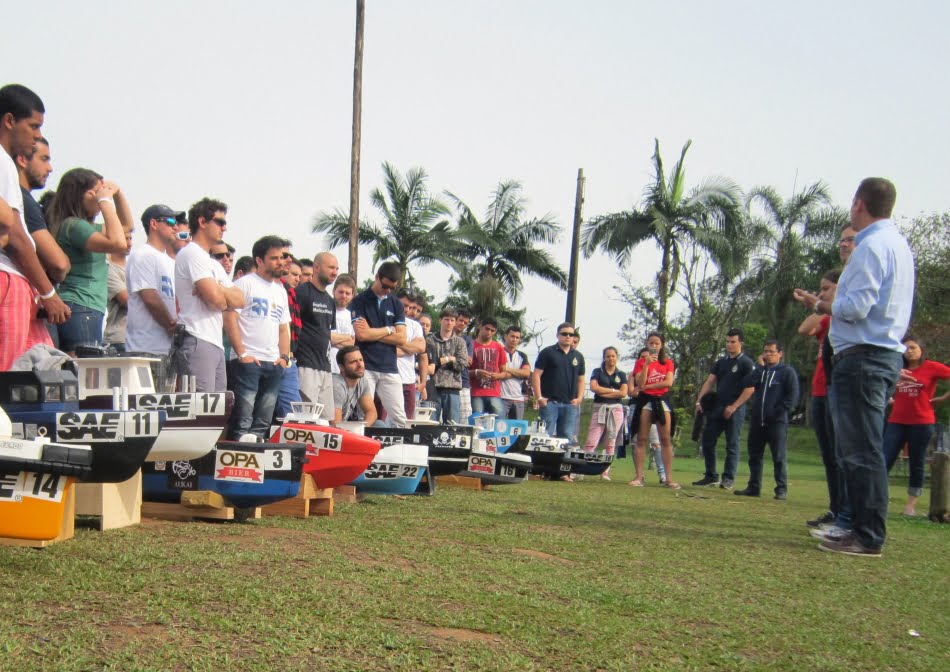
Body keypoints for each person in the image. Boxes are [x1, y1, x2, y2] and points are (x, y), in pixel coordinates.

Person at [794, 178, 914, 557]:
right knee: (863, 448)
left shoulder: (870, 247)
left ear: (859, 204)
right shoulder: (898, 245)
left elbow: (856, 308)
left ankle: (867, 534)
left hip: (863, 357)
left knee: (861, 450)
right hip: (879, 353)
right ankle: (859, 527)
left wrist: (819, 305)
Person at [0, 84, 70, 370]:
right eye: (33, 126)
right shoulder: (3, 161)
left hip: (20, 281)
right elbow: (15, 235)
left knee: (39, 371)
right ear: (9, 121)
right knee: (9, 377)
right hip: (9, 279)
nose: (38, 135)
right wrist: (49, 293)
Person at [45, 168, 133, 354]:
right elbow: (118, 243)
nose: (101, 196)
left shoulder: (84, 226)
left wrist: (117, 194)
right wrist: (105, 201)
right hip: (81, 306)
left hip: (85, 307)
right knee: (82, 366)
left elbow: (126, 226)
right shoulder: (75, 225)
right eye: (97, 191)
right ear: (83, 194)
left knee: (81, 366)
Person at [224, 235, 292, 439]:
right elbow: (230, 318)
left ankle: (258, 455)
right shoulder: (244, 284)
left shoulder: (280, 291)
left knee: (263, 421)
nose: (280, 262)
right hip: (248, 361)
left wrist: (284, 357)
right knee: (242, 420)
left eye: (282, 257)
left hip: (273, 362)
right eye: (274, 258)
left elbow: (283, 328)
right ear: (260, 260)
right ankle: (238, 456)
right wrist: (242, 354)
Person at [172, 197, 244, 392]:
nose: (224, 228)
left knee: (219, 407)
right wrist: (221, 295)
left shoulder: (212, 263)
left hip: (214, 341)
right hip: (196, 337)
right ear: (202, 222)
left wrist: (218, 288)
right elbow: (217, 301)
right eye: (220, 222)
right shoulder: (191, 253)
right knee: (201, 407)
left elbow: (241, 300)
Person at [795, 269, 846, 529]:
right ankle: (835, 509)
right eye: (821, 289)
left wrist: (819, 302)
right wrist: (818, 303)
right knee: (829, 456)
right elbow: (804, 329)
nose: (822, 293)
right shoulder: (826, 319)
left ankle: (847, 514)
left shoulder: (845, 318)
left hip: (839, 390)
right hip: (819, 391)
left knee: (841, 455)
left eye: (827, 288)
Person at [884, 336, 950, 516]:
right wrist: (888, 398)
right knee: (884, 459)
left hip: (921, 422)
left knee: (916, 461)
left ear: (921, 349)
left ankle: (910, 506)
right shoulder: (897, 367)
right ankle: (879, 500)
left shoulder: (931, 367)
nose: (909, 351)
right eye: (906, 348)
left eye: (913, 347)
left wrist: (944, 398)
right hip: (897, 421)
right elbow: (882, 382)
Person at [730, 340, 800, 500]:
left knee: (778, 456)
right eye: (765, 351)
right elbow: (747, 383)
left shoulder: (786, 372)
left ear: (780, 354)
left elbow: (792, 397)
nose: (768, 355)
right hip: (757, 421)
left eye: (771, 352)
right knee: (754, 456)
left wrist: (777, 412)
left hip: (776, 422)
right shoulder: (761, 372)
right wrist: (760, 368)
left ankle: (781, 489)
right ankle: (754, 487)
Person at [125, 204, 183, 391]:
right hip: (145, 349)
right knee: (148, 404)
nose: (176, 227)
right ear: (154, 224)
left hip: (167, 349)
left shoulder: (170, 262)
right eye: (170, 221)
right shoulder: (142, 255)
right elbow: (149, 296)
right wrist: (171, 325)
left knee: (166, 404)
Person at [692, 329, 756, 489]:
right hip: (718, 407)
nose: (729, 345)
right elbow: (709, 382)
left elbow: (750, 389)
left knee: (732, 444)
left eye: (733, 342)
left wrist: (734, 406)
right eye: (727, 341)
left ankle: (728, 478)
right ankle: (711, 475)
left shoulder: (746, 363)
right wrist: (699, 401)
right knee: (708, 440)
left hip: (735, 409)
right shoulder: (721, 362)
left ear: (741, 343)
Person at [350, 261, 408, 426]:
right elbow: (362, 335)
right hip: (366, 366)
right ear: (377, 277)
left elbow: (402, 339)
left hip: (389, 367)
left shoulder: (396, 304)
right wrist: (389, 329)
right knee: (363, 415)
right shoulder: (360, 300)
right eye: (385, 286)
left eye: (392, 288)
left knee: (399, 417)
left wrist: (373, 332)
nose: (387, 290)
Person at [16, 137, 69, 284]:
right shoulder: (23, 200)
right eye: (44, 159)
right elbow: (59, 264)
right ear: (22, 160)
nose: (50, 168)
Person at [629, 333, 679, 489]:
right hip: (645, 401)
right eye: (651, 343)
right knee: (641, 439)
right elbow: (639, 382)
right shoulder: (640, 362)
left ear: (662, 345)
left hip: (661, 400)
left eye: (657, 343)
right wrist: (646, 365)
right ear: (647, 344)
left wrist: (648, 387)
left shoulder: (668, 363)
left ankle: (668, 479)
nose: (654, 346)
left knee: (665, 439)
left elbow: (668, 382)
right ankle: (639, 477)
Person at [295, 251, 339, 422]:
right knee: (307, 418)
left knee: (326, 420)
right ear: (316, 267)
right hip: (306, 364)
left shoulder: (330, 300)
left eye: (337, 269)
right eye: (331, 268)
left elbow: (327, 332)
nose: (334, 272)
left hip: (325, 366)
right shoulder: (302, 292)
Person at [532, 322, 586, 441]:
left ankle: (563, 455)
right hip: (550, 402)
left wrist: (579, 398)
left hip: (570, 403)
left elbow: (581, 379)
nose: (568, 336)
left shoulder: (578, 356)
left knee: (566, 437)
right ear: (557, 335)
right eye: (564, 334)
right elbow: (536, 375)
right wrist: (539, 397)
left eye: (571, 334)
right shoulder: (547, 352)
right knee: (545, 436)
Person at [583, 346, 628, 481]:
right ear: (604, 358)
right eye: (608, 356)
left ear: (617, 357)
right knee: (591, 441)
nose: (611, 359)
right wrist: (614, 391)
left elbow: (623, 393)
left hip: (616, 409)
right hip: (600, 407)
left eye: (613, 356)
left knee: (611, 442)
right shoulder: (597, 372)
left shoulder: (621, 374)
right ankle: (583, 469)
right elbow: (594, 388)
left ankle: (605, 472)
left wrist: (606, 391)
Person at [427, 307, 468, 424]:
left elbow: (462, 365)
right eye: (446, 319)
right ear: (440, 320)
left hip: (453, 388)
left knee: (452, 425)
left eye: (452, 320)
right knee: (430, 424)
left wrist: (439, 361)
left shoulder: (460, 342)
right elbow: (429, 363)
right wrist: (449, 358)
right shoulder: (430, 340)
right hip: (432, 387)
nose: (449, 323)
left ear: (455, 322)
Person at [396, 290, 428, 421]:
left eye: (411, 307)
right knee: (385, 422)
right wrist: (411, 348)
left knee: (408, 422)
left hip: (409, 380)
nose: (408, 310)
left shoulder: (415, 326)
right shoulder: (385, 321)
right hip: (389, 378)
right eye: (405, 305)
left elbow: (421, 349)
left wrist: (423, 382)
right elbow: (388, 350)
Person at [470, 317, 509, 416]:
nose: (489, 332)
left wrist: (497, 376)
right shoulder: (471, 345)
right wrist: (476, 372)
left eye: (492, 330)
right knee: (477, 420)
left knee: (499, 421)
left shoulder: (498, 347)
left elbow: (504, 372)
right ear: (480, 327)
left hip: (494, 393)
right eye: (487, 329)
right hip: (475, 393)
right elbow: (464, 372)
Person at [333, 345, 378, 425]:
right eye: (353, 362)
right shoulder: (337, 385)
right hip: (328, 429)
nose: (360, 365)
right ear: (341, 367)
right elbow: (335, 424)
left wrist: (363, 427)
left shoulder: (362, 381)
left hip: (347, 427)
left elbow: (371, 412)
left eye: (361, 360)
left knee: (379, 424)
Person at [104, 229, 132, 351]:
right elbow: (126, 300)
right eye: (126, 239)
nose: (130, 243)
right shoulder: (108, 269)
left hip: (138, 338)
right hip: (119, 339)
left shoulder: (133, 268)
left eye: (130, 238)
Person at [329, 273, 357, 380]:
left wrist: (333, 339)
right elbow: (325, 337)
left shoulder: (352, 316)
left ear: (352, 295)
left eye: (347, 293)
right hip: (326, 366)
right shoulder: (326, 311)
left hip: (344, 371)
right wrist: (347, 337)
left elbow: (351, 344)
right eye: (341, 292)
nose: (344, 295)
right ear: (333, 291)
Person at [500, 325, 531, 419]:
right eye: (512, 336)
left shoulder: (522, 355)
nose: (514, 339)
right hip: (501, 397)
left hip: (518, 398)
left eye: (517, 337)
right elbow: (498, 372)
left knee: (517, 427)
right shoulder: (499, 352)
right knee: (499, 425)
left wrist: (507, 369)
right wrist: (518, 373)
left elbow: (526, 373)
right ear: (505, 336)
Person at [455, 308, 475, 420]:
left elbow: (468, 361)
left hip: (463, 382)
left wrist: (449, 358)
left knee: (465, 419)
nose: (462, 324)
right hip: (444, 382)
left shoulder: (468, 340)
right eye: (460, 320)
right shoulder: (443, 337)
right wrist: (461, 358)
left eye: (465, 322)